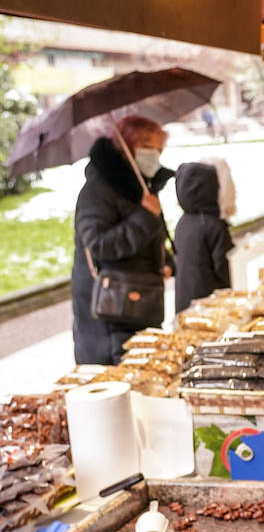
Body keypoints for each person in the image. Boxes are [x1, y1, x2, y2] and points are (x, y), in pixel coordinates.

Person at [71, 114, 173, 365]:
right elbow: (101, 245)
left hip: (139, 306)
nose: (154, 156)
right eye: (147, 148)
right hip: (111, 318)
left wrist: (166, 261)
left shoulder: (139, 187)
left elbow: (146, 241)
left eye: (159, 149)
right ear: (126, 146)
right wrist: (146, 216)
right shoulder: (97, 191)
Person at [173, 160, 235, 313]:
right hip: (210, 304)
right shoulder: (215, 225)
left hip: (184, 301)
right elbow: (224, 266)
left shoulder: (183, 222)